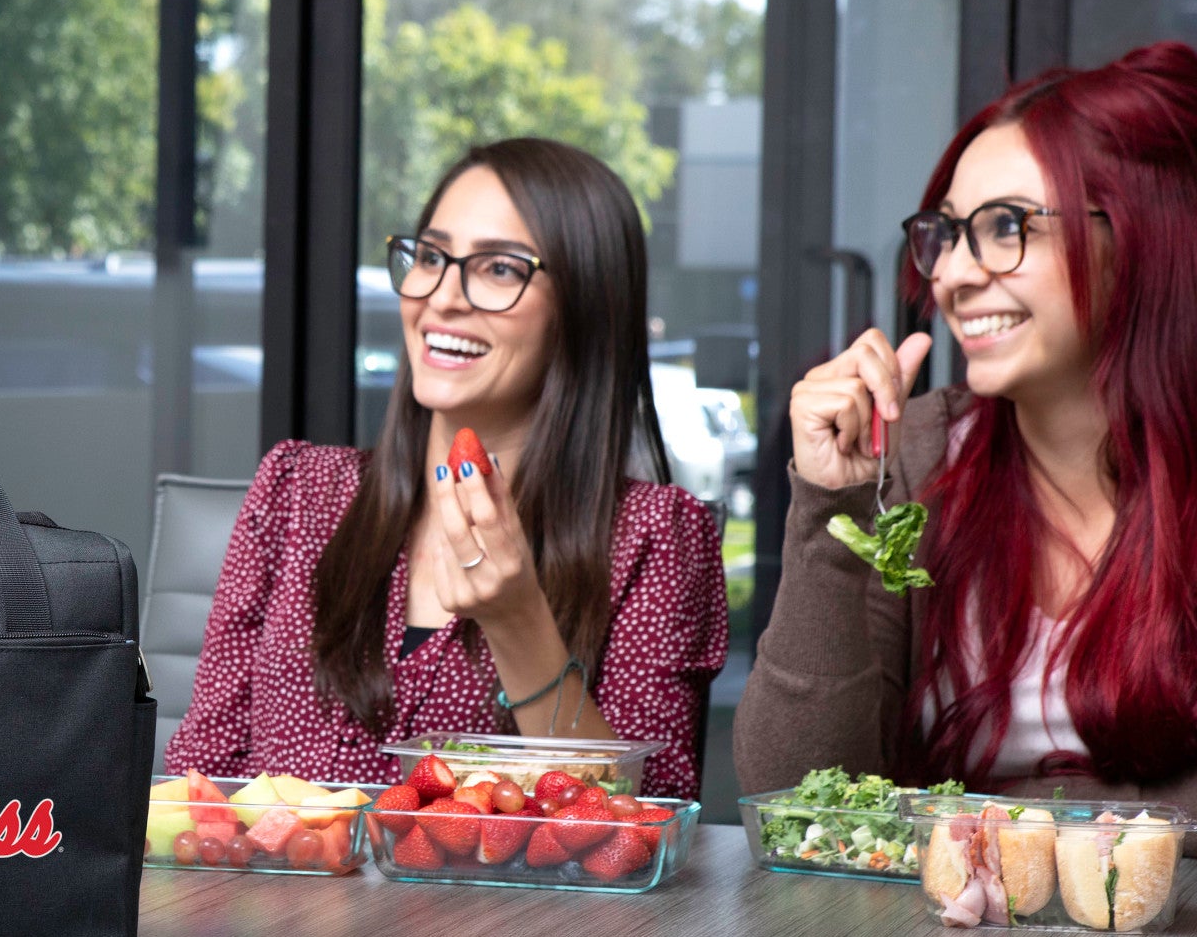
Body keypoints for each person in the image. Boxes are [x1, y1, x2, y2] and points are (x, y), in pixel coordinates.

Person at [165, 138, 730, 798]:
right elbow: (196, 785)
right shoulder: (297, 491)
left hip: (508, 907)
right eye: (431, 256)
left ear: (584, 308)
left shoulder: (657, 538)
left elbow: (642, 826)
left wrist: (519, 622)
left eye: (497, 269)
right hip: (281, 900)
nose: (442, 297)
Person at [736, 42, 1197, 818]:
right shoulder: (913, 454)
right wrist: (830, 506)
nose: (949, 273)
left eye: (1006, 225)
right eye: (945, 233)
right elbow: (797, 800)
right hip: (942, 928)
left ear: (1140, 237)